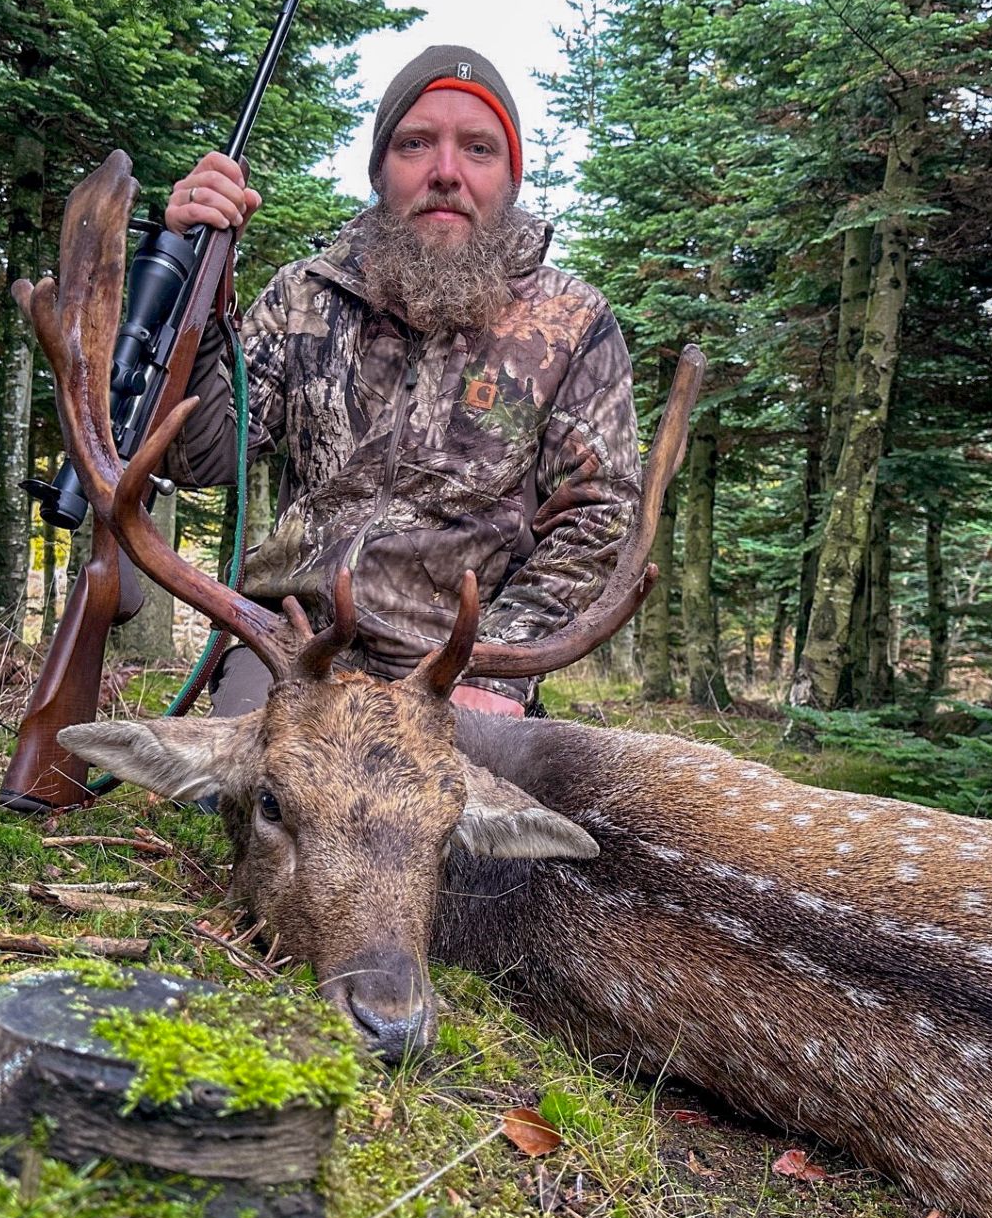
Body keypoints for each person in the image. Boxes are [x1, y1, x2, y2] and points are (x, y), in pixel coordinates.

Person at [161, 45, 641, 718]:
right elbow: (200, 455)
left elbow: (600, 516)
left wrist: (495, 668)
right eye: (417, 144)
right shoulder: (305, 295)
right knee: (267, 799)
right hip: (292, 645)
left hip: (456, 668)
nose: (446, 172)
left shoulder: (571, 323)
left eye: (478, 149)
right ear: (381, 170)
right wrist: (194, 283)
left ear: (511, 179)